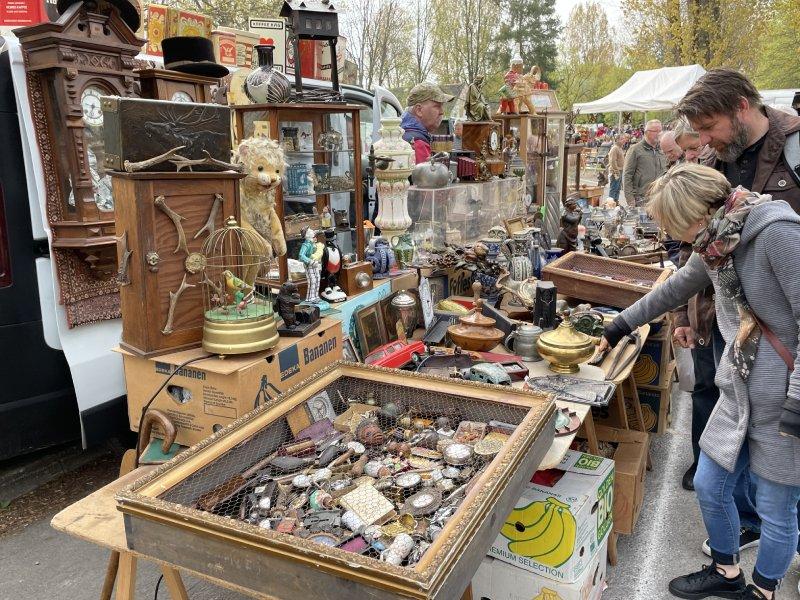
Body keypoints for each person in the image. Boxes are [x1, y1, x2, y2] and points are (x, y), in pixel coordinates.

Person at [600, 162, 800, 600]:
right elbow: (672, 290)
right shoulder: (715, 244)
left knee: (775, 508)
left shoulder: (777, 233)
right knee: (709, 484)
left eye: (676, 226)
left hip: (784, 399)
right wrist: (619, 325)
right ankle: (727, 573)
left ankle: (763, 591)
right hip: (740, 388)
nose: (677, 237)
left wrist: (797, 399)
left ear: (699, 211)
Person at [674, 68, 800, 587]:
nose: (703, 140)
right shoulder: (713, 160)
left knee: (783, 477)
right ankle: (735, 551)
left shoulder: (793, 152)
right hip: (732, 327)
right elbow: (694, 249)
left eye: (709, 127)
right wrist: (684, 313)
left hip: (786, 343)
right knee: (721, 459)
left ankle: (771, 561)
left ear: (743, 107)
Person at [400, 82, 455, 164]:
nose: (442, 112)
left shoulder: (401, 132)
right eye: (437, 106)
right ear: (419, 110)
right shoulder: (418, 144)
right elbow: (424, 176)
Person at [622, 119, 666, 206]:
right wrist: (630, 199)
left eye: (661, 131)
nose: (659, 134)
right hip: (641, 199)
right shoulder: (635, 150)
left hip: (660, 198)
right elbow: (627, 175)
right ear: (646, 132)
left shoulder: (662, 150)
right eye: (656, 131)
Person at [607, 135, 625, 201]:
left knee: (617, 188)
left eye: (624, 138)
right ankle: (611, 204)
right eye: (622, 139)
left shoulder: (619, 148)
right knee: (614, 188)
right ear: (617, 140)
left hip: (620, 170)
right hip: (615, 171)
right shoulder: (615, 148)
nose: (624, 140)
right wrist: (616, 171)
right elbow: (612, 161)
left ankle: (615, 202)